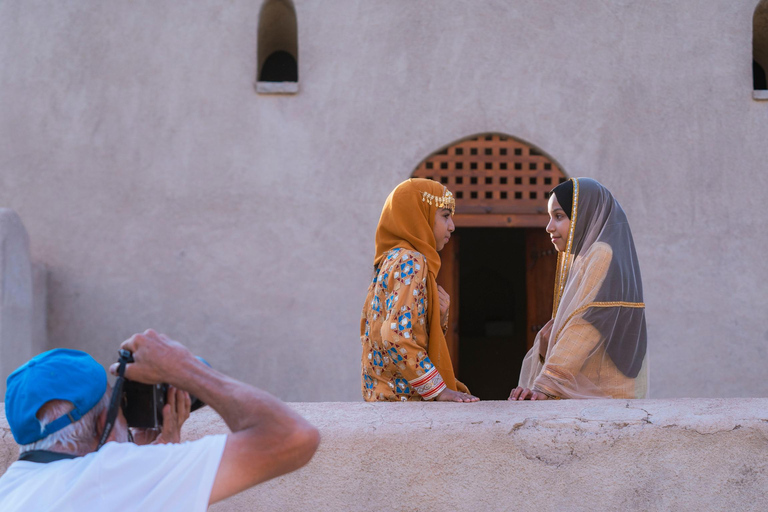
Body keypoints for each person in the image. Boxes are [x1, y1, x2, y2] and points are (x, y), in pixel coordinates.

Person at [0, 329, 320, 510]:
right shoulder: (111, 474)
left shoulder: (11, 490)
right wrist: (184, 368)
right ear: (103, 426)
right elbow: (293, 437)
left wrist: (153, 460)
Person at [509, 177, 648, 400]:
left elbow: (585, 325)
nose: (549, 227)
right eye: (550, 217)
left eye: (559, 216)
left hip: (605, 401)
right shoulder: (588, 257)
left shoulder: (601, 253)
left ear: (585, 215)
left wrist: (545, 386)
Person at [360, 178, 478, 402]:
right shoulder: (411, 260)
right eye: (445, 215)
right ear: (418, 216)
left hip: (383, 398)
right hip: (405, 401)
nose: (452, 226)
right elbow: (395, 335)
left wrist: (437, 316)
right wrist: (439, 390)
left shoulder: (389, 261)